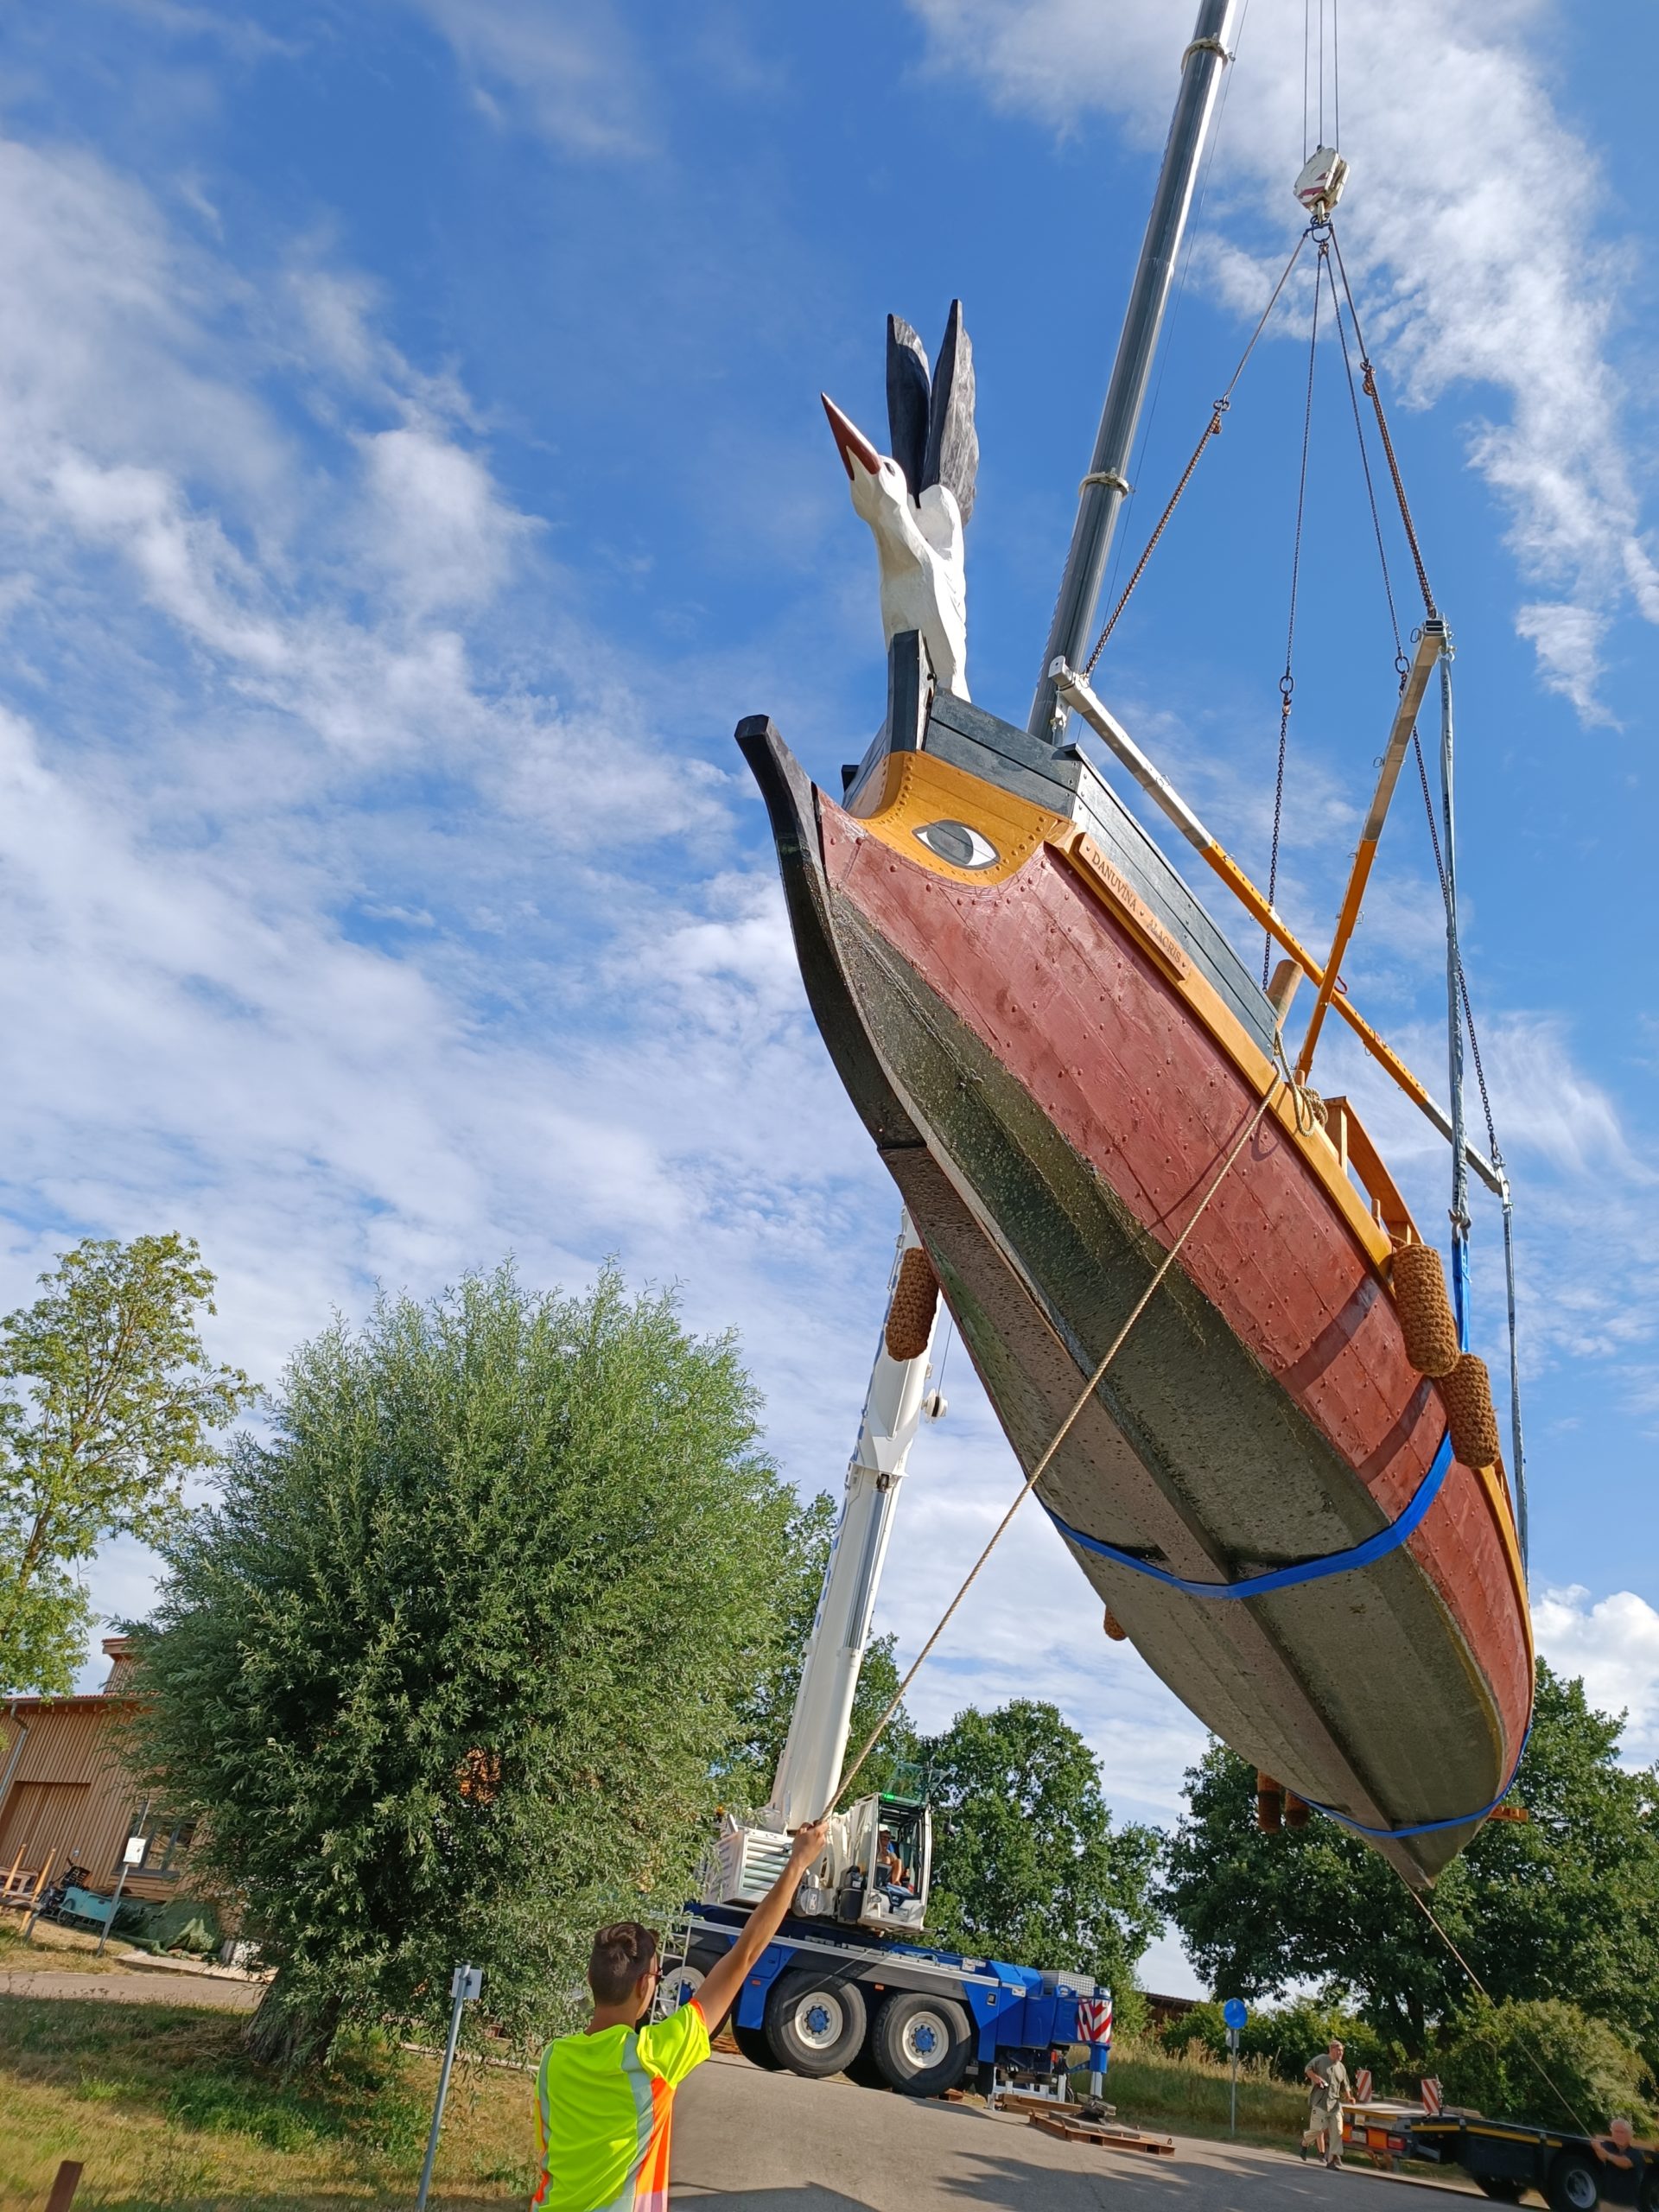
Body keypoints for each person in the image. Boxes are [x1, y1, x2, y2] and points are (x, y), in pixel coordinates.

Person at [531, 1816, 828, 2212]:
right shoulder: (653, 2058)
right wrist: (796, 1865)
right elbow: (744, 1957)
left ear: (590, 1977)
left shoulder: (553, 2060)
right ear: (645, 1986)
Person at [1302, 2039, 1351, 2169]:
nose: (1341, 2053)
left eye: (1342, 2050)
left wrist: (1349, 2096)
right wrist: (1316, 2078)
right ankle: (1305, 2141)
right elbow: (1308, 2069)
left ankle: (1332, 2160)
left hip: (1335, 2104)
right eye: (1338, 2050)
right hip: (1320, 2102)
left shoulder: (1341, 2067)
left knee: (1338, 2131)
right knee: (1318, 2130)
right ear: (1331, 2050)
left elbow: (1346, 2084)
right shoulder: (1321, 2060)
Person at [1592, 2119, 1646, 2205]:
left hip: (1626, 2205)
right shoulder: (1609, 2146)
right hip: (1606, 2201)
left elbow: (1625, 2163)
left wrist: (1607, 2155)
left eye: (1622, 2132)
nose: (1619, 2135)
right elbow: (1601, 2156)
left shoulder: (1636, 2152)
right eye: (1616, 2132)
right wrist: (1598, 2148)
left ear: (1630, 2135)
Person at [875, 1828, 913, 1909]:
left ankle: (895, 1882)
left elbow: (898, 1867)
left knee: (898, 1861)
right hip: (876, 1879)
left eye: (888, 1838)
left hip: (889, 1880)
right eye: (884, 1837)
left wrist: (905, 1874)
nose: (886, 1840)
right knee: (887, 1859)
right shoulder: (874, 1851)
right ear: (878, 1837)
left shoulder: (891, 1854)